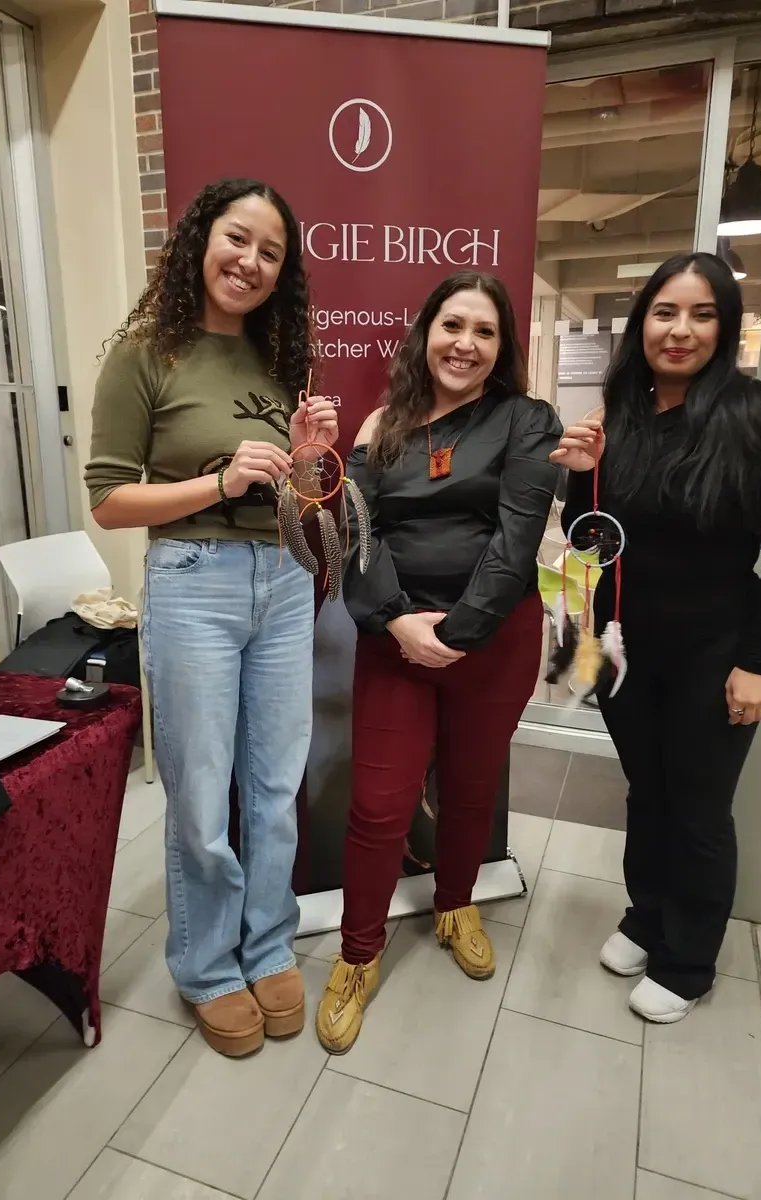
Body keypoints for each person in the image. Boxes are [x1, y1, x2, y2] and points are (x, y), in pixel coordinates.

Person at [85, 178, 338, 1057]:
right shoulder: (144, 355)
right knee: (200, 790)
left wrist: (303, 458)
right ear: (201, 238)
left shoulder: (277, 361)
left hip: (282, 580)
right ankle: (205, 965)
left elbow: (293, 498)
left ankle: (267, 946)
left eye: (271, 253)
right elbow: (109, 501)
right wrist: (220, 483)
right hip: (193, 581)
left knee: (274, 785)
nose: (251, 262)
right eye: (238, 238)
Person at [315, 270, 562, 1054]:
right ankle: (358, 954)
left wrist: (456, 632)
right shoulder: (380, 424)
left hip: (495, 639)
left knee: (469, 788)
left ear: (502, 346)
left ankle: (455, 903)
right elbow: (355, 531)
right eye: (453, 325)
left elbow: (517, 539)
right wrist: (397, 621)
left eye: (485, 331)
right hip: (394, 642)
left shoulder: (527, 420)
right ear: (427, 332)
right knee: (379, 806)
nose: (466, 344)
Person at [552, 252, 761, 1024]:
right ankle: (648, 917)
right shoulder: (620, 412)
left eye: (702, 314)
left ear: (725, 327)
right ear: (642, 323)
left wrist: (757, 663)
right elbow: (592, 535)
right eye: (665, 312)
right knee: (647, 792)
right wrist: (580, 474)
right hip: (626, 648)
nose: (680, 330)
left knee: (698, 808)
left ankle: (688, 960)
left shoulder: (759, 415)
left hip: (714, 651)